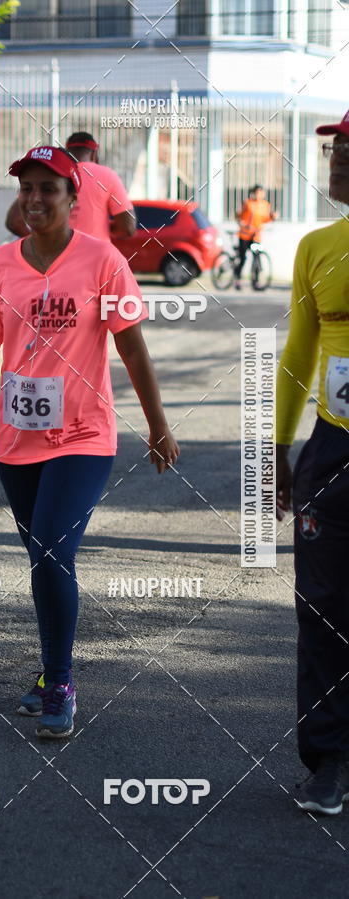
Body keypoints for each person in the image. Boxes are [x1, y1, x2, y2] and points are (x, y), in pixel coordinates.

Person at [0, 145, 179, 739]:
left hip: (85, 435)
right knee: (42, 560)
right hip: (15, 440)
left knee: (51, 552)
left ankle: (60, 682)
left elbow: (132, 347)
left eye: (49, 189)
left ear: (73, 197)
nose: (36, 199)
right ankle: (49, 672)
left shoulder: (104, 261)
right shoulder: (1, 264)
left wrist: (158, 423)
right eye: (27, 189)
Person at [276, 110, 349, 814]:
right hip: (332, 447)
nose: (336, 156)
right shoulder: (318, 245)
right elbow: (299, 350)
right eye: (333, 145)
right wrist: (278, 443)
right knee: (322, 609)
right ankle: (329, 757)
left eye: (348, 147)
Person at [5, 131, 136, 242]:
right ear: (94, 153)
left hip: (54, 260)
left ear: (67, 151)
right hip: (95, 259)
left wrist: (43, 244)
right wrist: (105, 229)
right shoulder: (108, 176)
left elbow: (14, 222)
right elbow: (128, 227)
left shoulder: (56, 173)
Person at [234, 184, 277, 289]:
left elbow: (265, 219)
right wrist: (242, 223)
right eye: (257, 192)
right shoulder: (248, 203)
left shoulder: (266, 205)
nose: (259, 195)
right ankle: (237, 279)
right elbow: (238, 216)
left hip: (256, 236)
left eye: (261, 193)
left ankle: (255, 281)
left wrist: (272, 217)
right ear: (253, 193)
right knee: (242, 258)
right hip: (245, 235)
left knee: (257, 257)